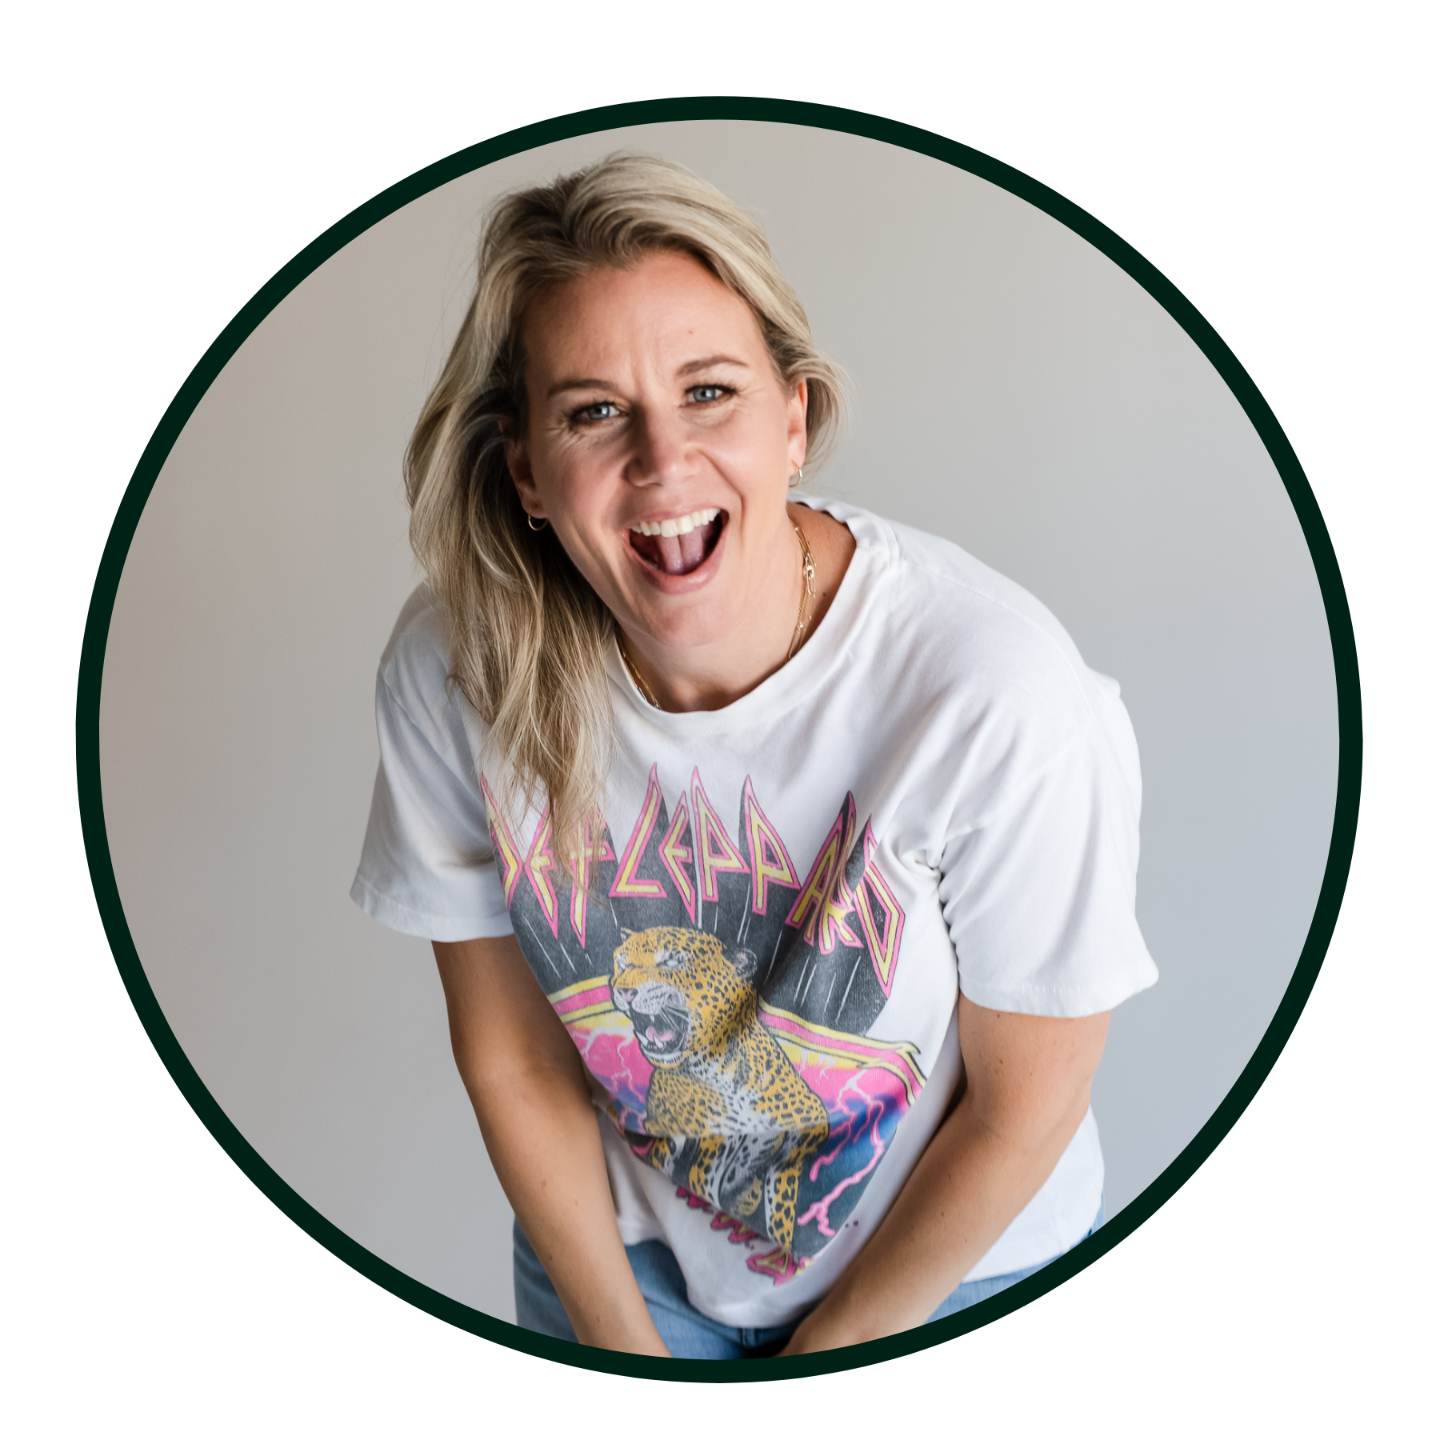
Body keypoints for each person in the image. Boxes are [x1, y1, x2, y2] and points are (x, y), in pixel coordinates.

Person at [350, 154, 1158, 1359]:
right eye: (593, 411)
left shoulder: (993, 692)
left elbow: (1023, 1112)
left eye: (709, 392)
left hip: (958, 1270)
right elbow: (513, 1058)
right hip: (628, 1264)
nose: (662, 462)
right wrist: (620, 1338)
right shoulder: (461, 669)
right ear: (525, 472)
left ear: (794, 420)